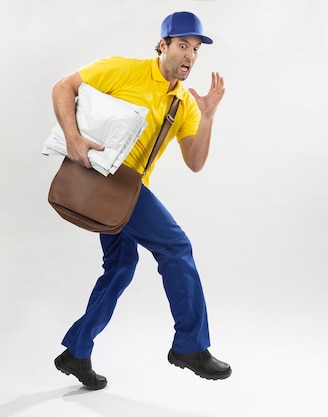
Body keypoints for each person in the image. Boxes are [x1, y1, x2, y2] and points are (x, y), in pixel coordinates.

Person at [51, 11, 231, 390]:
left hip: (127, 191)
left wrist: (208, 117)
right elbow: (63, 87)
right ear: (162, 45)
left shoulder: (183, 103)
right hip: (106, 179)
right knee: (176, 247)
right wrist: (72, 138)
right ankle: (190, 345)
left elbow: (195, 163)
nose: (190, 56)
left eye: (196, 49)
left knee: (120, 266)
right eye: (183, 45)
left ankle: (77, 352)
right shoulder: (123, 69)